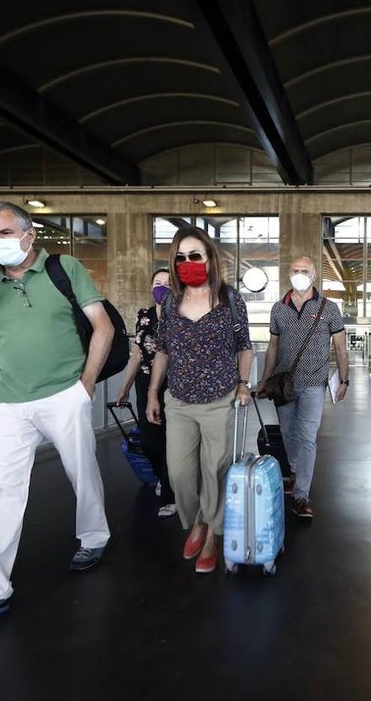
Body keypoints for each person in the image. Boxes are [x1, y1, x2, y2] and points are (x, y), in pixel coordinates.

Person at [0, 200, 112, 624]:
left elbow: (103, 327)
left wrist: (84, 387)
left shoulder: (64, 268)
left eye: (5, 232)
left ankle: (94, 536)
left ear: (30, 234)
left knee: (82, 471)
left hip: (63, 394)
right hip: (8, 402)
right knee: (2, 491)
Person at [147, 226, 252, 574]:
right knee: (179, 473)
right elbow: (162, 349)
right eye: (180, 257)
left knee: (215, 471)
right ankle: (197, 519)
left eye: (195, 256)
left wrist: (242, 384)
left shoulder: (231, 300)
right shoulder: (169, 302)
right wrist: (153, 392)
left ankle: (211, 534)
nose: (187, 263)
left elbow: (244, 347)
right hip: (178, 401)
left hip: (219, 400)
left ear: (209, 259)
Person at [258, 255, 348, 519]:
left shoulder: (329, 308)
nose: (299, 274)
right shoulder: (278, 308)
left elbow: (341, 347)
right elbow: (272, 347)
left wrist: (344, 379)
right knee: (288, 432)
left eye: (304, 270)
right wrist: (264, 380)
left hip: (314, 384)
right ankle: (296, 471)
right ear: (288, 274)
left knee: (307, 436)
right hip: (283, 384)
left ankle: (301, 496)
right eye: (295, 270)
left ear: (314, 275)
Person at [115, 268, 176, 516]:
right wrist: (125, 387)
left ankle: (172, 493)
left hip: (175, 386)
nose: (162, 287)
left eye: (167, 284)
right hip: (145, 383)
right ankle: (164, 476)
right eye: (157, 283)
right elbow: (138, 354)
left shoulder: (182, 316)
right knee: (151, 440)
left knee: (173, 440)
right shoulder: (144, 316)